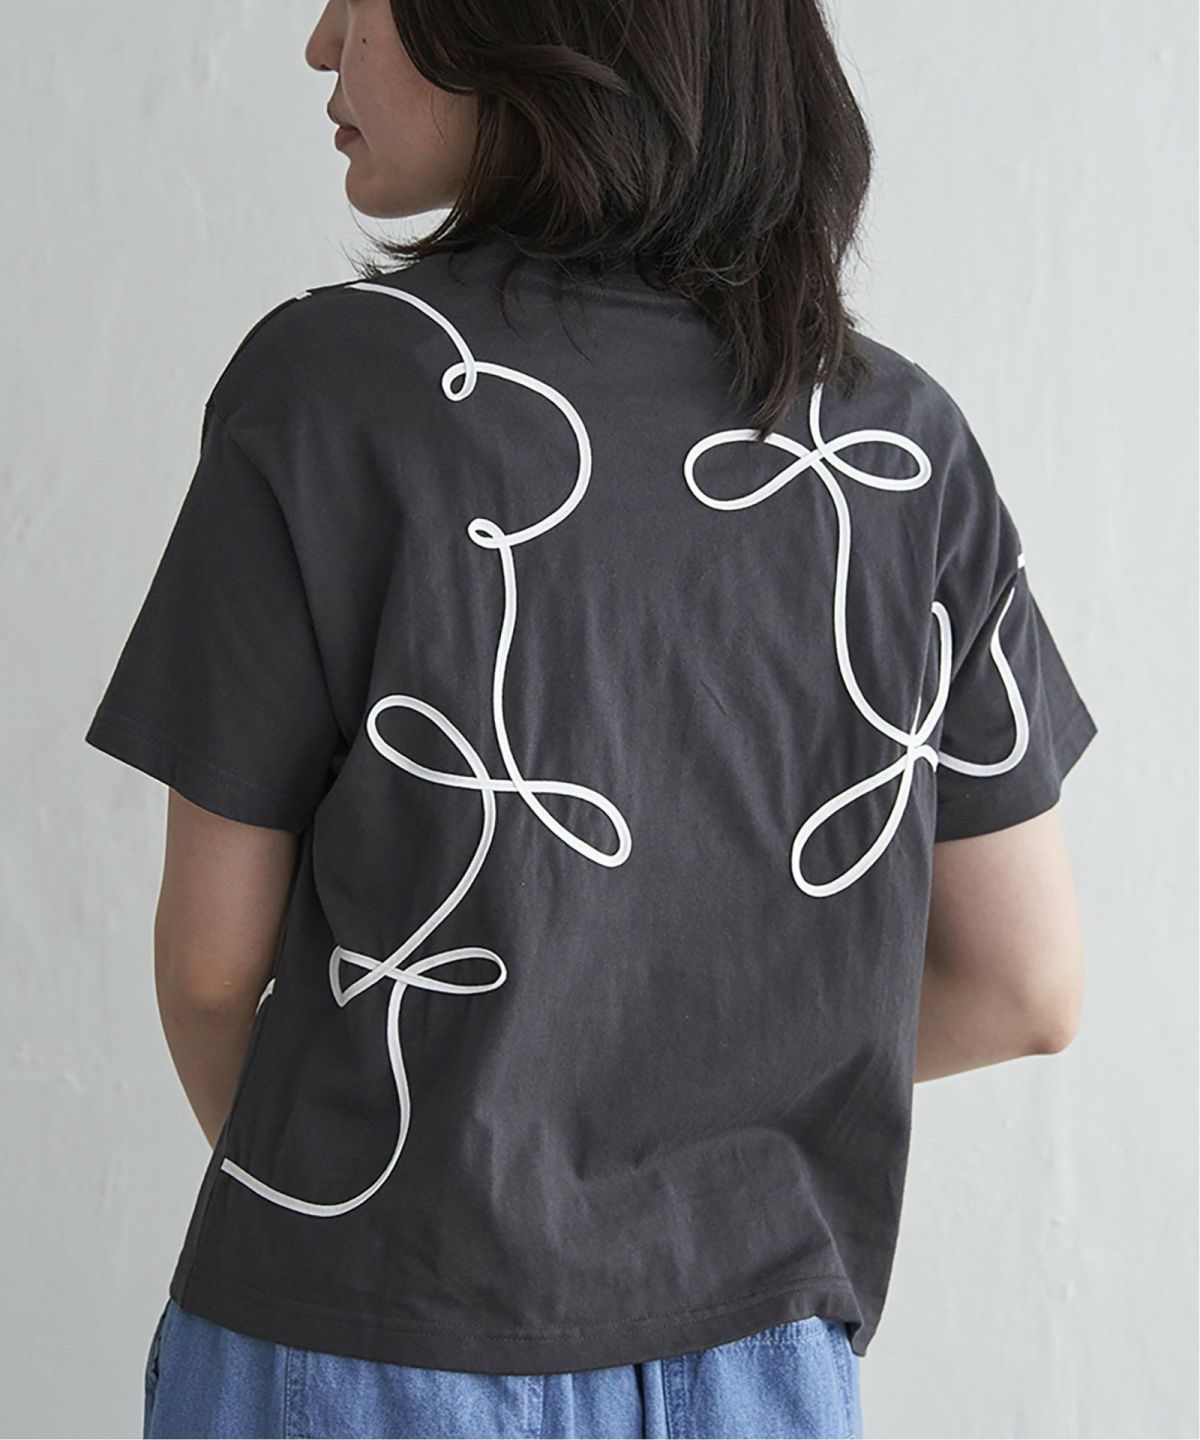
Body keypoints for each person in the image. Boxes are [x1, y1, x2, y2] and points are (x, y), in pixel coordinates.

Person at [84, 0, 1099, 1436]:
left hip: (368, 1344)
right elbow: (1027, 984)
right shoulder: (899, 450)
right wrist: (662, 1096)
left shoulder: (334, 392)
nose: (321, 42)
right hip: (756, 1368)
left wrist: (410, 1173)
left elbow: (207, 968)